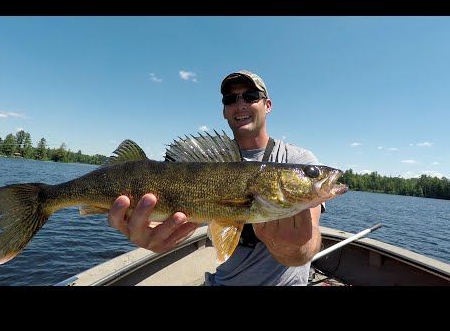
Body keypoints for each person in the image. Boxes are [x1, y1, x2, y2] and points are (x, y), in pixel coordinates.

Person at [107, 70, 324, 286]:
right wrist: (154, 232)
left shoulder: (296, 159)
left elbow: (307, 244)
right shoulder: (208, 161)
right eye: (230, 99)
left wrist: (296, 249)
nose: (240, 105)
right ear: (224, 111)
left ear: (267, 105)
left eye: (250, 96)